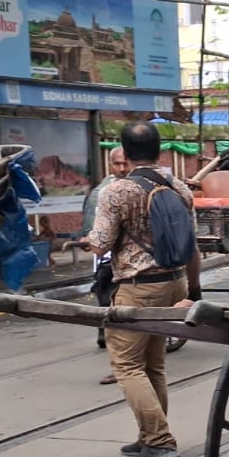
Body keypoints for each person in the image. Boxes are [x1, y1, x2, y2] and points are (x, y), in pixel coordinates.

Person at [83, 122, 202, 457]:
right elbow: (191, 245)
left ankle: (160, 440)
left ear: (123, 151)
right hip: (175, 281)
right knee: (154, 365)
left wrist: (84, 242)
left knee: (127, 365)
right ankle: (149, 436)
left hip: (138, 288)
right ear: (160, 149)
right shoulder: (180, 188)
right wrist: (193, 288)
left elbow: (101, 243)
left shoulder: (117, 192)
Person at [83, 146, 131, 384]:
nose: (122, 169)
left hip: (136, 263)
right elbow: (91, 231)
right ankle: (110, 340)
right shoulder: (101, 193)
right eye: (117, 164)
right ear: (110, 165)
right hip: (106, 259)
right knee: (106, 298)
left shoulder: (142, 189)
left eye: (125, 163)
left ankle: (125, 365)